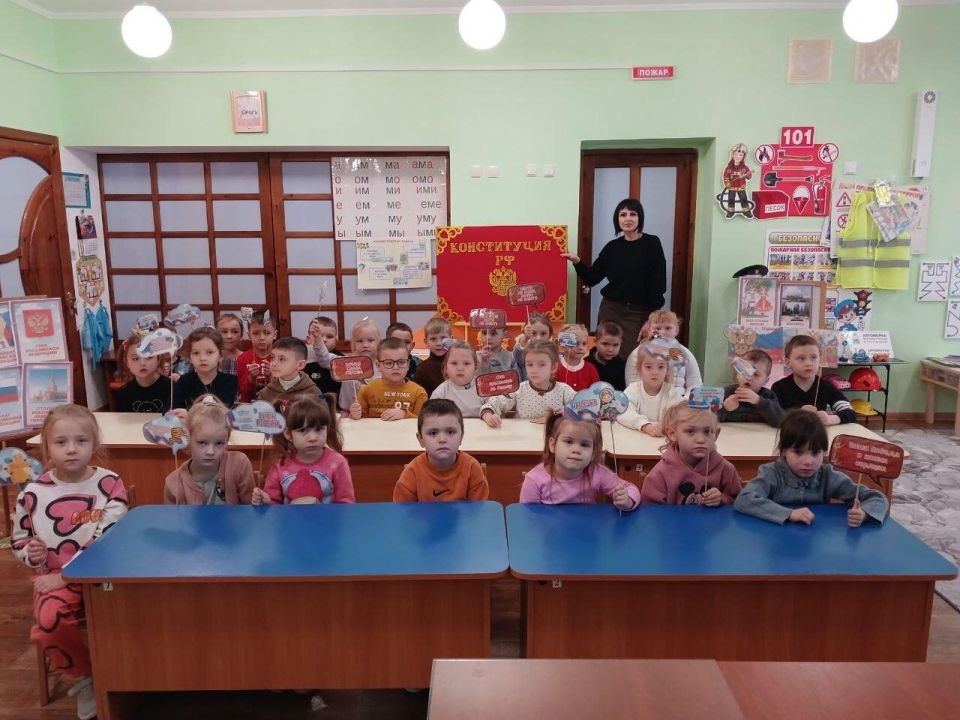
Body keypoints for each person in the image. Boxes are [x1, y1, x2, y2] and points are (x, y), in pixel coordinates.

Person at [11, 405, 128, 720]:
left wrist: (69, 575)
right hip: (54, 574)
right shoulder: (32, 493)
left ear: (94, 444)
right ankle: (84, 676)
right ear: (47, 446)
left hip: (106, 571)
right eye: (61, 442)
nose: (72, 449)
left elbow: (108, 537)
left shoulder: (110, 483)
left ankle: (129, 671)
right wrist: (30, 553)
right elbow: (19, 539)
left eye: (81, 440)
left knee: (144, 608)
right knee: (49, 621)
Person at [734, 408, 888, 526]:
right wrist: (789, 514)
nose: (808, 461)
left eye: (815, 452)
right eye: (798, 452)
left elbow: (877, 497)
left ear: (824, 452)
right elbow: (744, 499)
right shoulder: (772, 472)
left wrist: (864, 514)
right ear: (783, 451)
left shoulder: (828, 475)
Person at [562, 198, 666, 359]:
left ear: (640, 218)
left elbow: (658, 284)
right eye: (623, 215)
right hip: (611, 310)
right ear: (617, 220)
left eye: (633, 214)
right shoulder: (612, 247)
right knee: (605, 354)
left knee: (633, 357)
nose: (628, 219)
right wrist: (577, 261)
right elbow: (592, 278)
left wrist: (651, 319)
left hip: (639, 312)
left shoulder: (652, 243)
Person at [519, 412, 639, 509]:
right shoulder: (534, 480)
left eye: (584, 445)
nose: (576, 450)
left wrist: (627, 501)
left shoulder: (597, 473)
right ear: (553, 444)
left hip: (586, 529)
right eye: (569, 441)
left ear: (593, 452)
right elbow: (527, 516)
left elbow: (631, 489)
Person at [252, 395, 354, 505]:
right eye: (303, 431)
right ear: (288, 434)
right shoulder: (280, 464)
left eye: (319, 429)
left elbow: (346, 504)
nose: (313, 438)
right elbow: (274, 505)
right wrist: (266, 501)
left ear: (327, 429)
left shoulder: (338, 463)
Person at [640, 401, 740, 505]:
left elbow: (738, 502)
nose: (701, 439)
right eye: (690, 431)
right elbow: (650, 510)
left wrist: (722, 499)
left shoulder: (726, 469)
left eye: (707, 431)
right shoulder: (660, 474)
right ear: (672, 434)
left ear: (716, 434)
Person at [163, 395, 255, 504]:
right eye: (202, 442)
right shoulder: (173, 483)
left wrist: (261, 501)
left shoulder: (239, 464)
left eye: (219, 443)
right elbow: (172, 515)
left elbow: (250, 509)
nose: (211, 451)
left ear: (227, 440)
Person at [393, 399, 489, 502]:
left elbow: (479, 510)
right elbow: (402, 511)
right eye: (433, 433)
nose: (442, 439)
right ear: (421, 439)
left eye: (450, 432)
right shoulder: (412, 473)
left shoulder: (472, 469)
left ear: (461, 437)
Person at [480, 340, 575, 426]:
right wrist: (489, 416)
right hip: (524, 437)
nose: (534, 370)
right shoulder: (519, 389)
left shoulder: (563, 390)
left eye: (541, 365)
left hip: (552, 437)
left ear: (553, 367)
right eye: (530, 364)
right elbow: (493, 403)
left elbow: (581, 405)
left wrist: (554, 417)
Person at [773, 334, 855, 425]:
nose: (808, 363)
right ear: (788, 362)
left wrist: (830, 419)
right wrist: (797, 414)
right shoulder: (779, 387)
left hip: (818, 432)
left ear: (820, 360)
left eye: (813, 357)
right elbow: (772, 415)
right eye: (801, 358)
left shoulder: (826, 386)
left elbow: (850, 413)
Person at [350, 337, 428, 420]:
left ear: (408, 364)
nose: (396, 367)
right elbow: (359, 420)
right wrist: (355, 415)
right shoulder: (367, 390)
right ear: (378, 366)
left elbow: (424, 422)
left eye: (401, 362)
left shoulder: (419, 393)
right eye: (389, 363)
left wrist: (405, 414)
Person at [618, 341, 685, 436]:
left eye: (660, 367)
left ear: (667, 370)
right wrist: (644, 425)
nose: (655, 372)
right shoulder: (633, 390)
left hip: (662, 440)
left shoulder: (671, 392)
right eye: (648, 367)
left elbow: (680, 414)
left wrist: (664, 425)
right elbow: (622, 411)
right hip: (636, 438)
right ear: (639, 369)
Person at [624, 310, 702, 392]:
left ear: (676, 330)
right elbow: (632, 383)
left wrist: (688, 397)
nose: (663, 332)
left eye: (668, 328)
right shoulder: (638, 353)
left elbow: (695, 382)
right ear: (649, 330)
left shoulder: (685, 353)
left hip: (679, 397)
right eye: (657, 328)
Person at [172, 327, 239, 409]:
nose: (202, 358)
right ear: (189, 357)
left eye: (209, 352)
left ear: (220, 355)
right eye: (196, 353)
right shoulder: (184, 381)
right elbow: (174, 409)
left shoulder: (231, 381)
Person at [718, 349, 784, 426]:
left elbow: (781, 421)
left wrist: (759, 401)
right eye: (745, 372)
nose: (749, 378)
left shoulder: (768, 396)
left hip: (760, 433)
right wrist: (725, 408)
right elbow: (711, 419)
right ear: (737, 374)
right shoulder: (726, 393)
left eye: (756, 374)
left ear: (765, 381)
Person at [257, 336, 321, 409]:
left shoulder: (313, 393)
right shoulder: (265, 393)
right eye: (272, 357)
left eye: (281, 359)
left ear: (300, 365)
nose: (273, 363)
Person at [115, 333, 171, 413]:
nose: (142, 363)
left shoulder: (172, 388)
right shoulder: (124, 392)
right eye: (135, 358)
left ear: (158, 359)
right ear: (127, 362)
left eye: (148, 357)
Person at [337, 317, 381, 411]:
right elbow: (346, 402)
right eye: (360, 341)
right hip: (352, 412)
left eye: (370, 340)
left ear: (378, 342)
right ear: (353, 343)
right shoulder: (349, 366)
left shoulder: (384, 364)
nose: (365, 345)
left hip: (379, 411)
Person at [430, 340, 484, 418]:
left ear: (475, 367)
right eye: (454, 363)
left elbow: (496, 406)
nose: (460, 368)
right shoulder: (440, 393)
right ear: (446, 367)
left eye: (466, 363)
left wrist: (488, 413)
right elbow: (431, 417)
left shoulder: (483, 388)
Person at [236, 310, 277, 402]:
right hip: (249, 405)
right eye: (256, 333)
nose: (262, 337)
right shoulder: (242, 359)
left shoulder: (280, 358)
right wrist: (251, 378)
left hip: (274, 404)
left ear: (274, 335)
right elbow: (243, 392)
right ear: (249, 335)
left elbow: (283, 391)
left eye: (267, 333)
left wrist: (271, 376)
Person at [304, 315, 342, 396]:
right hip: (309, 400)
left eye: (329, 336)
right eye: (318, 335)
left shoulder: (339, 358)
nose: (324, 340)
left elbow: (324, 357)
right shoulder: (302, 357)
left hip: (334, 400)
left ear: (336, 340)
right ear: (308, 339)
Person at [414, 316, 452, 397]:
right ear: (426, 342)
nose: (439, 343)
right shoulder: (422, 369)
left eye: (443, 338)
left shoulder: (458, 364)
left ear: (451, 339)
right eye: (433, 339)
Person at [556, 323, 600, 392]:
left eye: (584, 343)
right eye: (576, 343)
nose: (581, 348)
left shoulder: (590, 369)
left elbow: (595, 392)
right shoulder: (556, 366)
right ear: (563, 345)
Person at [511, 312, 552, 382]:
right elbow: (517, 358)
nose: (538, 338)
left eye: (543, 334)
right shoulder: (526, 347)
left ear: (549, 335)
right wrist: (525, 338)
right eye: (534, 333)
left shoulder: (551, 350)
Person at [586, 320, 626, 390]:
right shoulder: (586, 364)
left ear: (621, 344)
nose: (610, 349)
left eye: (615, 345)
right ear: (595, 342)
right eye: (605, 344)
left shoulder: (623, 365)